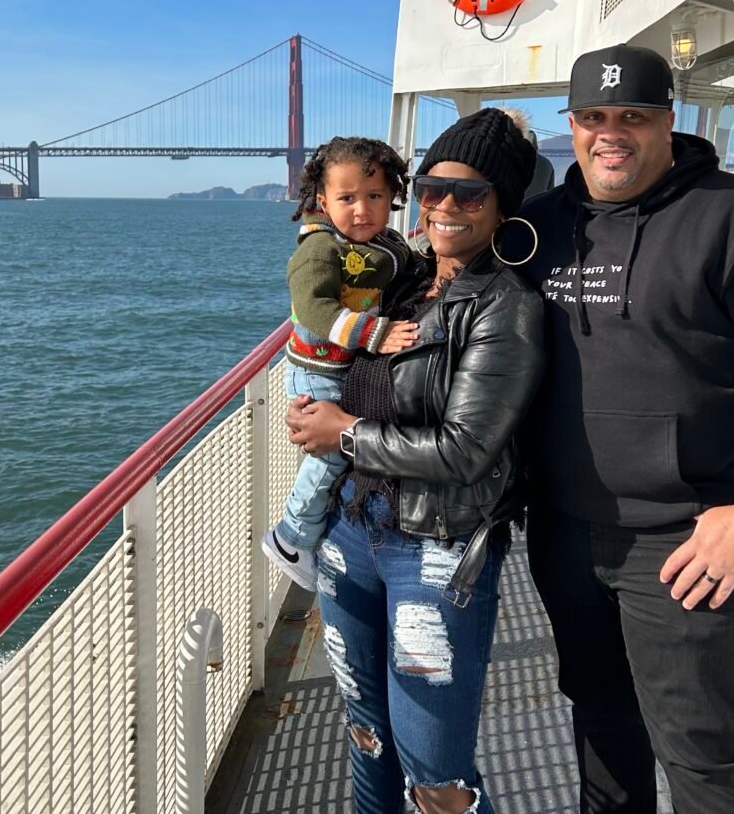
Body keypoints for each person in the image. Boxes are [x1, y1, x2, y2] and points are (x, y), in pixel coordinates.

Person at [287, 109, 545, 814]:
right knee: (368, 737)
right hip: (350, 529)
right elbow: (335, 344)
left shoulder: (504, 305)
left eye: (470, 194)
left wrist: (340, 434)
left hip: (435, 549)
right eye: (432, 187)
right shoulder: (399, 277)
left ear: (503, 208)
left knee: (436, 778)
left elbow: (465, 451)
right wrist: (310, 408)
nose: (445, 206)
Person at [519, 44, 734, 814]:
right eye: (592, 117)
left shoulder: (724, 212)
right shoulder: (536, 228)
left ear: (669, 121)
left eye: (633, 116)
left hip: (684, 545)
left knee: (704, 754)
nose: (611, 133)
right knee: (601, 729)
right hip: (563, 534)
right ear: (571, 126)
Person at [262, 136, 416, 591]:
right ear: (323, 200)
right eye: (346, 198)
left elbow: (400, 270)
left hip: (342, 366)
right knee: (331, 455)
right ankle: (292, 537)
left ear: (392, 197)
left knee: (341, 447)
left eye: (374, 196)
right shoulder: (320, 249)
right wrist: (375, 333)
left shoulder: (383, 242)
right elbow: (311, 307)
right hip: (317, 368)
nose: (361, 209)